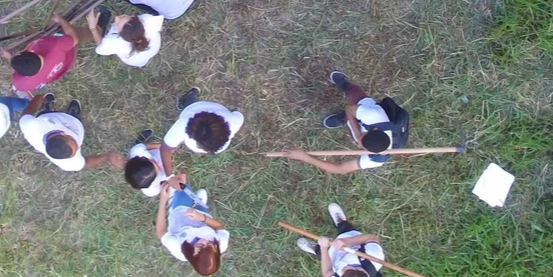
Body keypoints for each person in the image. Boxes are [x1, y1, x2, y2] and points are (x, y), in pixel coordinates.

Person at [264, 69, 408, 175]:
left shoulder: (377, 159)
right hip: (365, 113)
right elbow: (350, 108)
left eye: (362, 147)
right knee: (356, 95)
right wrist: (358, 133)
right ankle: (347, 86)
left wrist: (304, 157)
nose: (359, 145)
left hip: (365, 127)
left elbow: (340, 169)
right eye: (361, 142)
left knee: (352, 126)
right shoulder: (373, 115)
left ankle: (345, 120)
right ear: (375, 131)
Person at [294, 203, 386, 277]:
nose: (344, 267)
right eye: (349, 267)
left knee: (325, 254)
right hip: (352, 241)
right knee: (346, 229)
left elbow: (327, 271)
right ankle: (341, 222)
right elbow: (371, 237)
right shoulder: (374, 259)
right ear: (361, 269)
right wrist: (344, 241)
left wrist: (324, 248)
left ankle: (317, 249)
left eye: (343, 271)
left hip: (333, 257)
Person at [17, 93, 121, 173]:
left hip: (47, 118)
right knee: (73, 119)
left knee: (45, 113)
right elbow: (85, 163)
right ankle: (72, 114)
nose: (77, 143)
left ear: (62, 134)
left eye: (73, 142)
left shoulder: (32, 127)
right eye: (77, 148)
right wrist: (107, 157)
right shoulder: (68, 164)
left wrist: (39, 98)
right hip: (74, 123)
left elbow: (25, 115)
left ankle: (47, 108)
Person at [156, 173, 227, 276]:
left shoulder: (177, 247)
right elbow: (219, 227)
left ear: (194, 254)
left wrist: (163, 202)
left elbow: (161, 232)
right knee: (190, 194)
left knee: (182, 186)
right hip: (202, 215)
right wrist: (202, 218)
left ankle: (173, 200)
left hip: (180, 213)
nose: (204, 241)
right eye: (209, 244)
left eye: (200, 245)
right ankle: (197, 203)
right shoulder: (221, 244)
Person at [162, 88, 244, 157]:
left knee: (190, 103)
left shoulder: (184, 124)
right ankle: (190, 95)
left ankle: (190, 95)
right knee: (190, 103)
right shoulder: (232, 121)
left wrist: (169, 175)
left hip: (195, 107)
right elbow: (237, 114)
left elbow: (166, 147)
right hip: (194, 107)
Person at [7, 21, 78, 94]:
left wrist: (10, 58)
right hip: (68, 55)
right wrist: (60, 19)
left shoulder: (21, 84)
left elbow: (15, 73)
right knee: (75, 32)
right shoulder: (56, 47)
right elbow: (74, 39)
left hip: (58, 71)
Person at [84, 8, 163, 69]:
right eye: (123, 16)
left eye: (117, 24)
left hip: (135, 60)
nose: (116, 18)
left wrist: (93, 28)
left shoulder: (114, 43)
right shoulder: (148, 20)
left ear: (121, 36)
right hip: (152, 50)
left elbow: (100, 47)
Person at [123, 130, 168, 195]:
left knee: (139, 146)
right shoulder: (151, 191)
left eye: (153, 162)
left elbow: (148, 146)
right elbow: (164, 186)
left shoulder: (137, 151)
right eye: (157, 170)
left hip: (156, 152)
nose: (157, 164)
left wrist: (164, 147)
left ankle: (138, 142)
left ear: (143, 158)